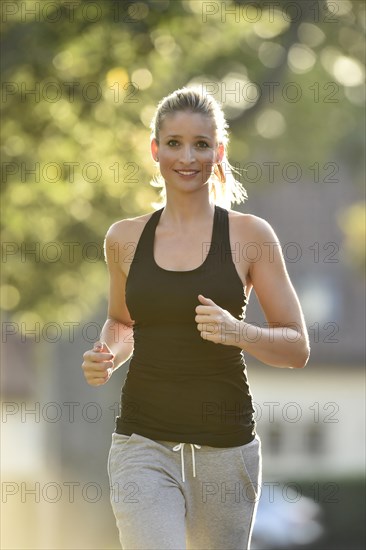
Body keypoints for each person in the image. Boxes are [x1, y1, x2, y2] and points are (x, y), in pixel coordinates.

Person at [81, 87, 310, 550]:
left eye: (201, 144)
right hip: (142, 442)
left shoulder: (250, 235)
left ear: (218, 152)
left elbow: (296, 348)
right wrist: (107, 354)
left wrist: (238, 332)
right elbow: (122, 322)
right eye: (174, 143)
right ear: (155, 150)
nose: (187, 157)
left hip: (225, 446)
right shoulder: (123, 238)